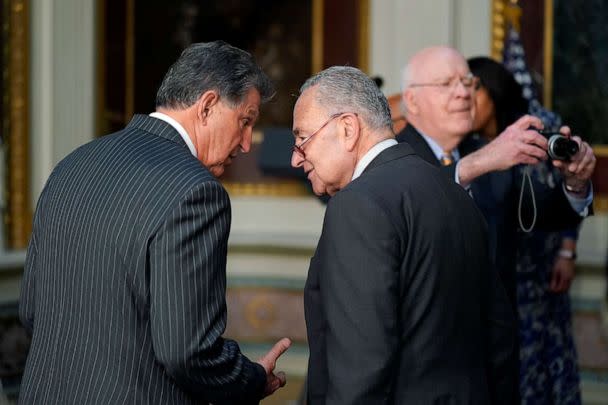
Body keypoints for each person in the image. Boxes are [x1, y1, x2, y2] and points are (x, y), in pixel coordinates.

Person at [19, 41, 291, 405]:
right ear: (207, 106)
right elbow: (188, 352)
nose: (245, 144)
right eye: (245, 121)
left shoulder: (72, 166)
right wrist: (252, 379)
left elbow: (31, 310)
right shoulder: (197, 192)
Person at [291, 66, 516, 404]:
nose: (296, 157)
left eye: (302, 138)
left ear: (348, 129)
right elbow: (500, 338)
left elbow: (361, 368)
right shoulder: (455, 194)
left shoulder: (357, 205)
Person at [396, 45, 595, 403]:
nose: (463, 92)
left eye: (468, 81)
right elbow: (406, 206)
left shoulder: (490, 153)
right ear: (412, 100)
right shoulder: (392, 156)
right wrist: (472, 166)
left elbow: (547, 213)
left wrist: (575, 182)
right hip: (417, 372)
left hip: (491, 369)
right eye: (446, 83)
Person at [469, 56, 583, 404]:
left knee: (544, 350)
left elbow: (566, 187)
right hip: (497, 270)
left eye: (474, 90)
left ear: (495, 89)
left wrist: (567, 250)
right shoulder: (466, 142)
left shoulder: (536, 126)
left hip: (541, 265)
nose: (466, 101)